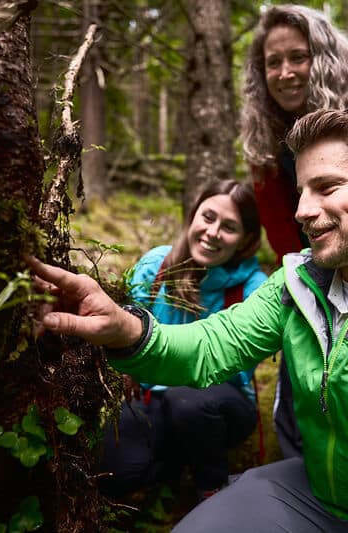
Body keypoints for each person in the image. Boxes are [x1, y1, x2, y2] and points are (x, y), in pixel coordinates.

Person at [27, 106, 348, 532]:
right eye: (301, 190)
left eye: (326, 188)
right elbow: (212, 346)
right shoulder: (299, 283)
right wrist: (128, 328)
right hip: (315, 495)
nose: (302, 210)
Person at [240, 3, 348, 458]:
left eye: (297, 57)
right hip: (310, 269)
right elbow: (282, 232)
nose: (284, 72)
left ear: (322, 58)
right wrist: (306, 289)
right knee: (302, 387)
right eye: (273, 62)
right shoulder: (264, 136)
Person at [96, 179, 267, 502]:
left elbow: (235, 365)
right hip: (153, 398)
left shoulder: (255, 287)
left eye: (229, 227)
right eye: (208, 217)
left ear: (246, 240)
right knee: (114, 472)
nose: (213, 232)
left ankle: (213, 490)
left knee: (186, 401)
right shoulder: (156, 265)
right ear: (193, 216)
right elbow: (125, 323)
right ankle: (171, 467)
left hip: (220, 400)